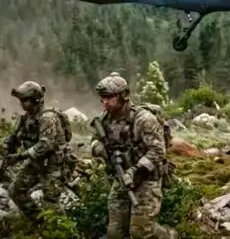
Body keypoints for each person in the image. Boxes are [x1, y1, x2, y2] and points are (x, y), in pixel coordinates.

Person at [91, 72, 177, 239]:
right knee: (114, 233)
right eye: (102, 98)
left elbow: (158, 151)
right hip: (121, 178)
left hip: (147, 178)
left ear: (123, 96)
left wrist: (135, 170)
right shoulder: (105, 119)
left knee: (140, 232)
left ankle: (169, 235)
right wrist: (99, 148)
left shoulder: (143, 119)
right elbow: (94, 141)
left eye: (109, 97)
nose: (105, 102)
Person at [5, 81, 71, 223]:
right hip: (37, 163)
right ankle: (41, 223)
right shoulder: (26, 118)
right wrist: (10, 147)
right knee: (15, 191)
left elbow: (44, 145)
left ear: (35, 100)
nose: (21, 103)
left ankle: (63, 230)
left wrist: (19, 157)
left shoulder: (47, 118)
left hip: (54, 165)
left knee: (51, 201)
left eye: (24, 100)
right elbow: (17, 138)